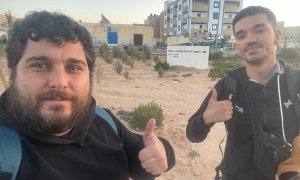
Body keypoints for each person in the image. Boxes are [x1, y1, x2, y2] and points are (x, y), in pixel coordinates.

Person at [0, 11, 175, 180]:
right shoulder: (5, 151)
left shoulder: (104, 120)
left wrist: (161, 152)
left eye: (74, 67)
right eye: (40, 65)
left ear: (89, 77)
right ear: (13, 74)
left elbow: (142, 164)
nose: (59, 82)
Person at [186, 6, 300, 180]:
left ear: (277, 36)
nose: (250, 39)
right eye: (241, 35)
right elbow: (192, 134)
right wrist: (206, 119)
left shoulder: (296, 83)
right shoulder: (227, 85)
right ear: (237, 45)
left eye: (259, 30)